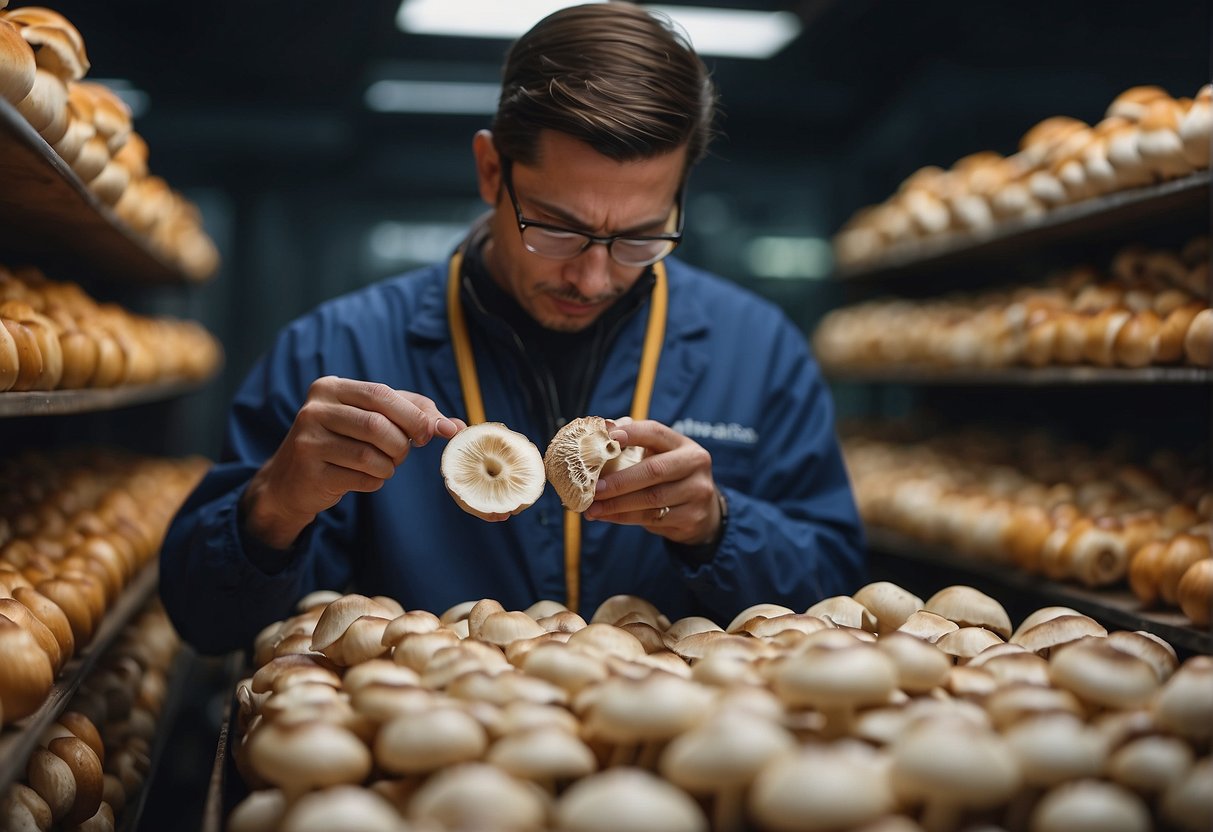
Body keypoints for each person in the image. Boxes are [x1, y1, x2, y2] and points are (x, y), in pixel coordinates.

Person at [161, 1, 865, 654]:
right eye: (558, 230)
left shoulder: (760, 351)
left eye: (640, 237)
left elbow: (838, 599)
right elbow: (208, 625)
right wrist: (272, 510)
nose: (592, 278)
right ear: (491, 170)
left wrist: (717, 527)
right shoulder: (336, 349)